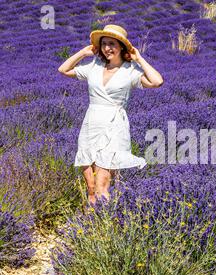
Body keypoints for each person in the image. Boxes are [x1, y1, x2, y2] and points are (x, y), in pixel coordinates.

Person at [58, 24, 163, 206]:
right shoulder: (94, 67)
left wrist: (139, 59)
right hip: (91, 124)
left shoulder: (130, 71)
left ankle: (104, 225)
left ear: (121, 46)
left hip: (114, 127)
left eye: (112, 44)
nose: (108, 48)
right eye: (104, 43)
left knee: (101, 185)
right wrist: (83, 53)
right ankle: (93, 225)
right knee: (90, 188)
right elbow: (63, 70)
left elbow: (157, 81)